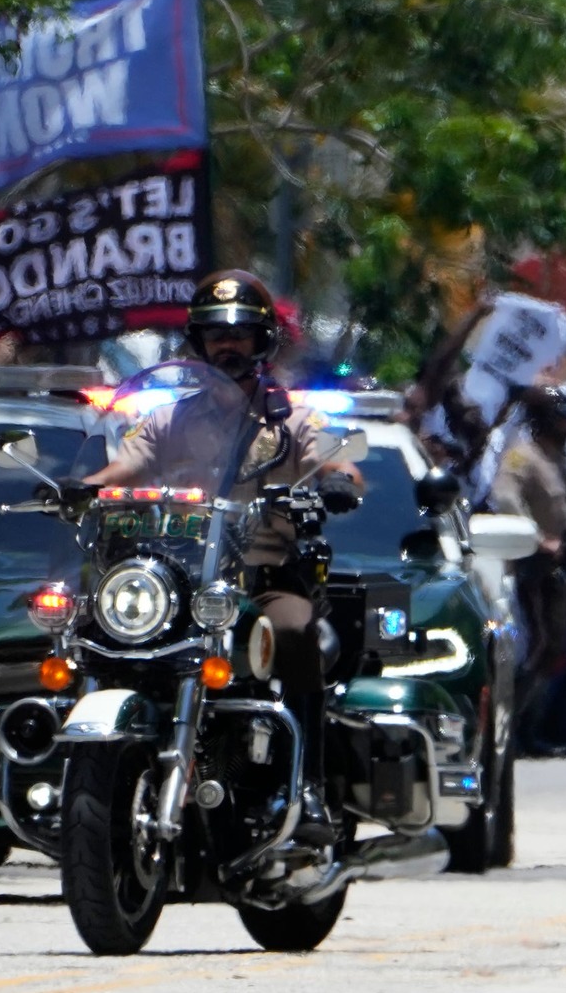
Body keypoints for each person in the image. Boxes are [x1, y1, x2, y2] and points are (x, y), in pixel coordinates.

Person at [72, 270, 364, 844]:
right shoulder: (171, 417)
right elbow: (128, 466)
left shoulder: (293, 419)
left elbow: (338, 463)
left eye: (240, 335)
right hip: (180, 580)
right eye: (214, 336)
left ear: (263, 343)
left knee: (295, 629)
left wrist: (338, 480)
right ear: (197, 343)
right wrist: (83, 488)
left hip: (261, 578)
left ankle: (305, 787)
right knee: (93, 631)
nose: (226, 346)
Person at [490, 383, 566, 755]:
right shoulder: (522, 456)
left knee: (555, 648)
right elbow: (506, 497)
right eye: (563, 417)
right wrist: (536, 537)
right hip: (531, 566)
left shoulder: (556, 457)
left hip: (562, 566)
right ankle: (511, 727)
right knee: (537, 646)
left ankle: (529, 728)